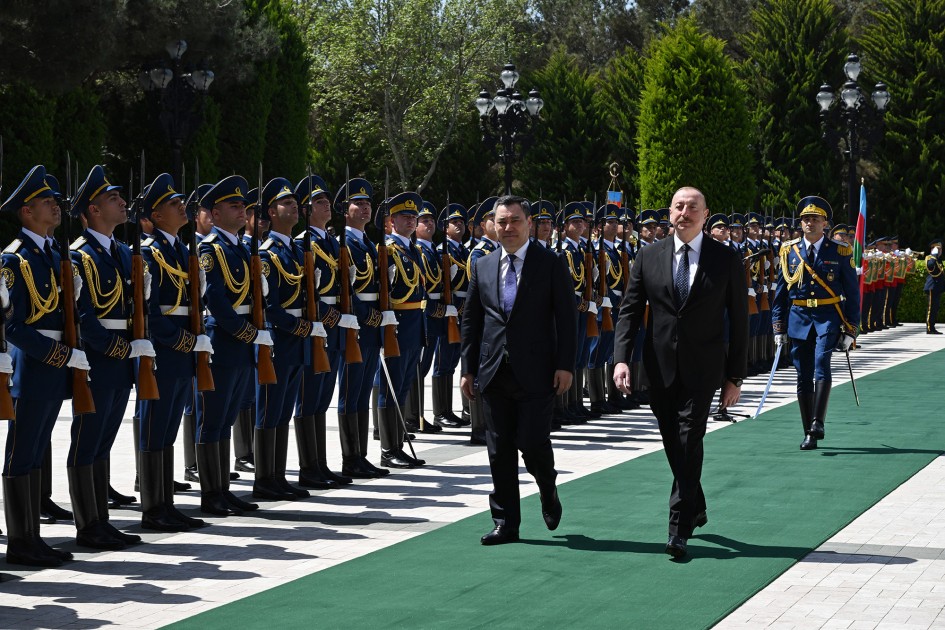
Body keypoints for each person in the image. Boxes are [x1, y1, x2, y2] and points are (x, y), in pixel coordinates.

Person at [613, 186, 748, 559]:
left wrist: (734, 377)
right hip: (659, 367)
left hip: (704, 368)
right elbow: (629, 310)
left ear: (705, 215)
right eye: (678, 206)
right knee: (673, 440)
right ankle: (697, 500)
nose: (683, 213)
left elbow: (739, 320)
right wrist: (621, 358)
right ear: (669, 213)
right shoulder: (648, 256)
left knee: (689, 437)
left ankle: (678, 526)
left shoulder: (726, 259)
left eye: (692, 207)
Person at [461, 194, 577, 545]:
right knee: (499, 448)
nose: (508, 227)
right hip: (494, 370)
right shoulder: (482, 265)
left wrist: (565, 366)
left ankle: (547, 488)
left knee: (532, 442)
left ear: (529, 223)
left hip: (538, 370)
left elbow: (567, 318)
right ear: (492, 226)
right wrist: (468, 369)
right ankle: (506, 522)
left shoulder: (550, 263)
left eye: (514, 220)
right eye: (501, 221)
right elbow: (472, 320)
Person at [0, 165, 77, 565]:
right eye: (48, 202)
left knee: (35, 452)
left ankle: (32, 535)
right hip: (32, 365)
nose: (56, 207)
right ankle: (20, 541)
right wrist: (60, 355)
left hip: (53, 366)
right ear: (27, 212)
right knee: (22, 452)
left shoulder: (53, 255)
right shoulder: (14, 260)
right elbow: (13, 325)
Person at [137, 173, 210, 531]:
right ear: (156, 216)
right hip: (165, 349)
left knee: (167, 427)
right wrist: (182, 340)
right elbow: (148, 311)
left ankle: (166, 502)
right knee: (155, 425)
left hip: (183, 346)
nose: (182, 207)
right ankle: (153, 507)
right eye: (173, 204)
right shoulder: (149, 252)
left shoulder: (183, 250)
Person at [771, 196, 859, 452]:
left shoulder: (839, 251)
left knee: (822, 362)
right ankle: (807, 430)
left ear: (825, 224)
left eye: (815, 219)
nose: (809, 223)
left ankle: (818, 422)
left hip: (827, 317)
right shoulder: (789, 250)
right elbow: (781, 292)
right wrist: (778, 326)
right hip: (799, 318)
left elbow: (852, 294)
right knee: (802, 374)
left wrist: (851, 329)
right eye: (805, 219)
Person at [925, 239, 944, 334]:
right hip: (932, 287)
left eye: (940, 249)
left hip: (937, 287)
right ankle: (929, 327)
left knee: (935, 308)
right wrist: (934, 255)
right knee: (931, 308)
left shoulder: (938, 260)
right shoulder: (930, 258)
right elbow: (931, 267)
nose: (940, 251)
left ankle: (932, 327)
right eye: (938, 249)